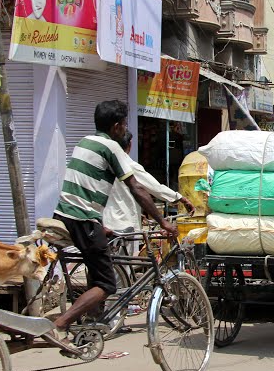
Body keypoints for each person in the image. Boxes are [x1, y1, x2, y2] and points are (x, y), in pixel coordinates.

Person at [51, 101, 177, 337]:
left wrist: (101, 224)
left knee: (97, 266)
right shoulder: (112, 147)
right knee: (107, 284)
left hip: (67, 215)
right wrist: (163, 222)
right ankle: (59, 325)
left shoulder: (85, 142)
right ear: (118, 126)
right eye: (125, 123)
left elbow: (85, 188)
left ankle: (89, 328)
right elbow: (137, 188)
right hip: (83, 220)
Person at [104, 130, 195, 243]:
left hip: (106, 223)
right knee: (127, 259)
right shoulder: (130, 165)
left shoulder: (105, 164)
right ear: (130, 145)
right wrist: (181, 198)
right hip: (125, 225)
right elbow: (156, 188)